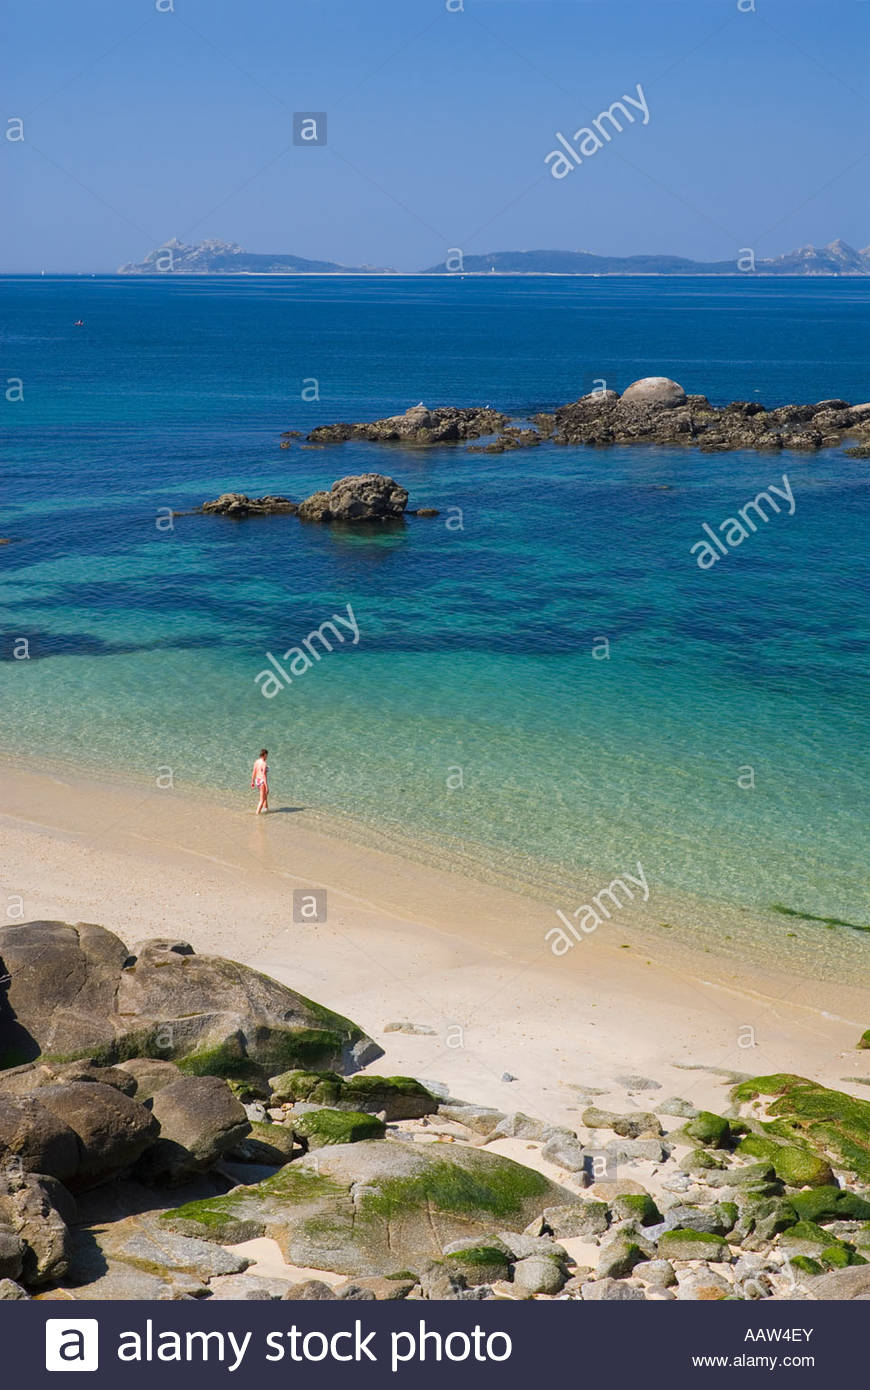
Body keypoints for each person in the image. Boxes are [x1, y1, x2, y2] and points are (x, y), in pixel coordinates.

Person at [251, 748, 269, 815]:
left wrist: (252, 781)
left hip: (257, 780)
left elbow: (254, 771)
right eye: (266, 755)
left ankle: (266, 809)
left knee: (265, 797)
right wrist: (267, 786)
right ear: (264, 755)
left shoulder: (256, 761)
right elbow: (264, 775)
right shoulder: (264, 763)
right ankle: (257, 814)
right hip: (262, 781)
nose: (267, 757)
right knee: (262, 800)